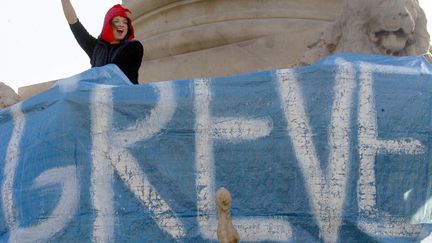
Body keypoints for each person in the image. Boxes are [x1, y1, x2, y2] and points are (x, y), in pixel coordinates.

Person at [60, 0, 143, 84]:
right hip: (99, 95)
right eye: (116, 21)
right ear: (108, 24)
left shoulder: (134, 46)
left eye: (125, 22)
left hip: (126, 95)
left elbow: (114, 73)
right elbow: (74, 24)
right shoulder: (96, 48)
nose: (122, 24)